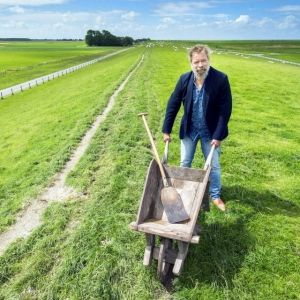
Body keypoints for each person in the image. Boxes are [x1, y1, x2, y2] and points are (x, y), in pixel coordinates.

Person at [162, 44, 232, 211]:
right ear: (191, 63)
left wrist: (218, 135)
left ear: (208, 60)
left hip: (211, 131)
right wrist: (166, 130)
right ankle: (182, 191)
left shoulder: (220, 79)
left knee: (213, 166)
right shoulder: (184, 79)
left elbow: (225, 111)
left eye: (203, 61)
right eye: (196, 62)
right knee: (185, 162)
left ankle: (215, 196)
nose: (200, 65)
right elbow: (173, 104)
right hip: (189, 130)